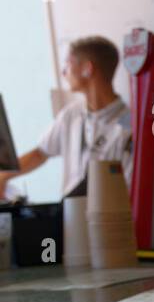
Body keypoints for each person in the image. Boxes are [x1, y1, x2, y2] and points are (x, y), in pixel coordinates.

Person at [0, 36, 132, 200]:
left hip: (109, 218)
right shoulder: (71, 115)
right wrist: (4, 176)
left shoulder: (129, 125)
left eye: (67, 65)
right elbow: (40, 153)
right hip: (71, 214)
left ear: (87, 69)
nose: (63, 73)